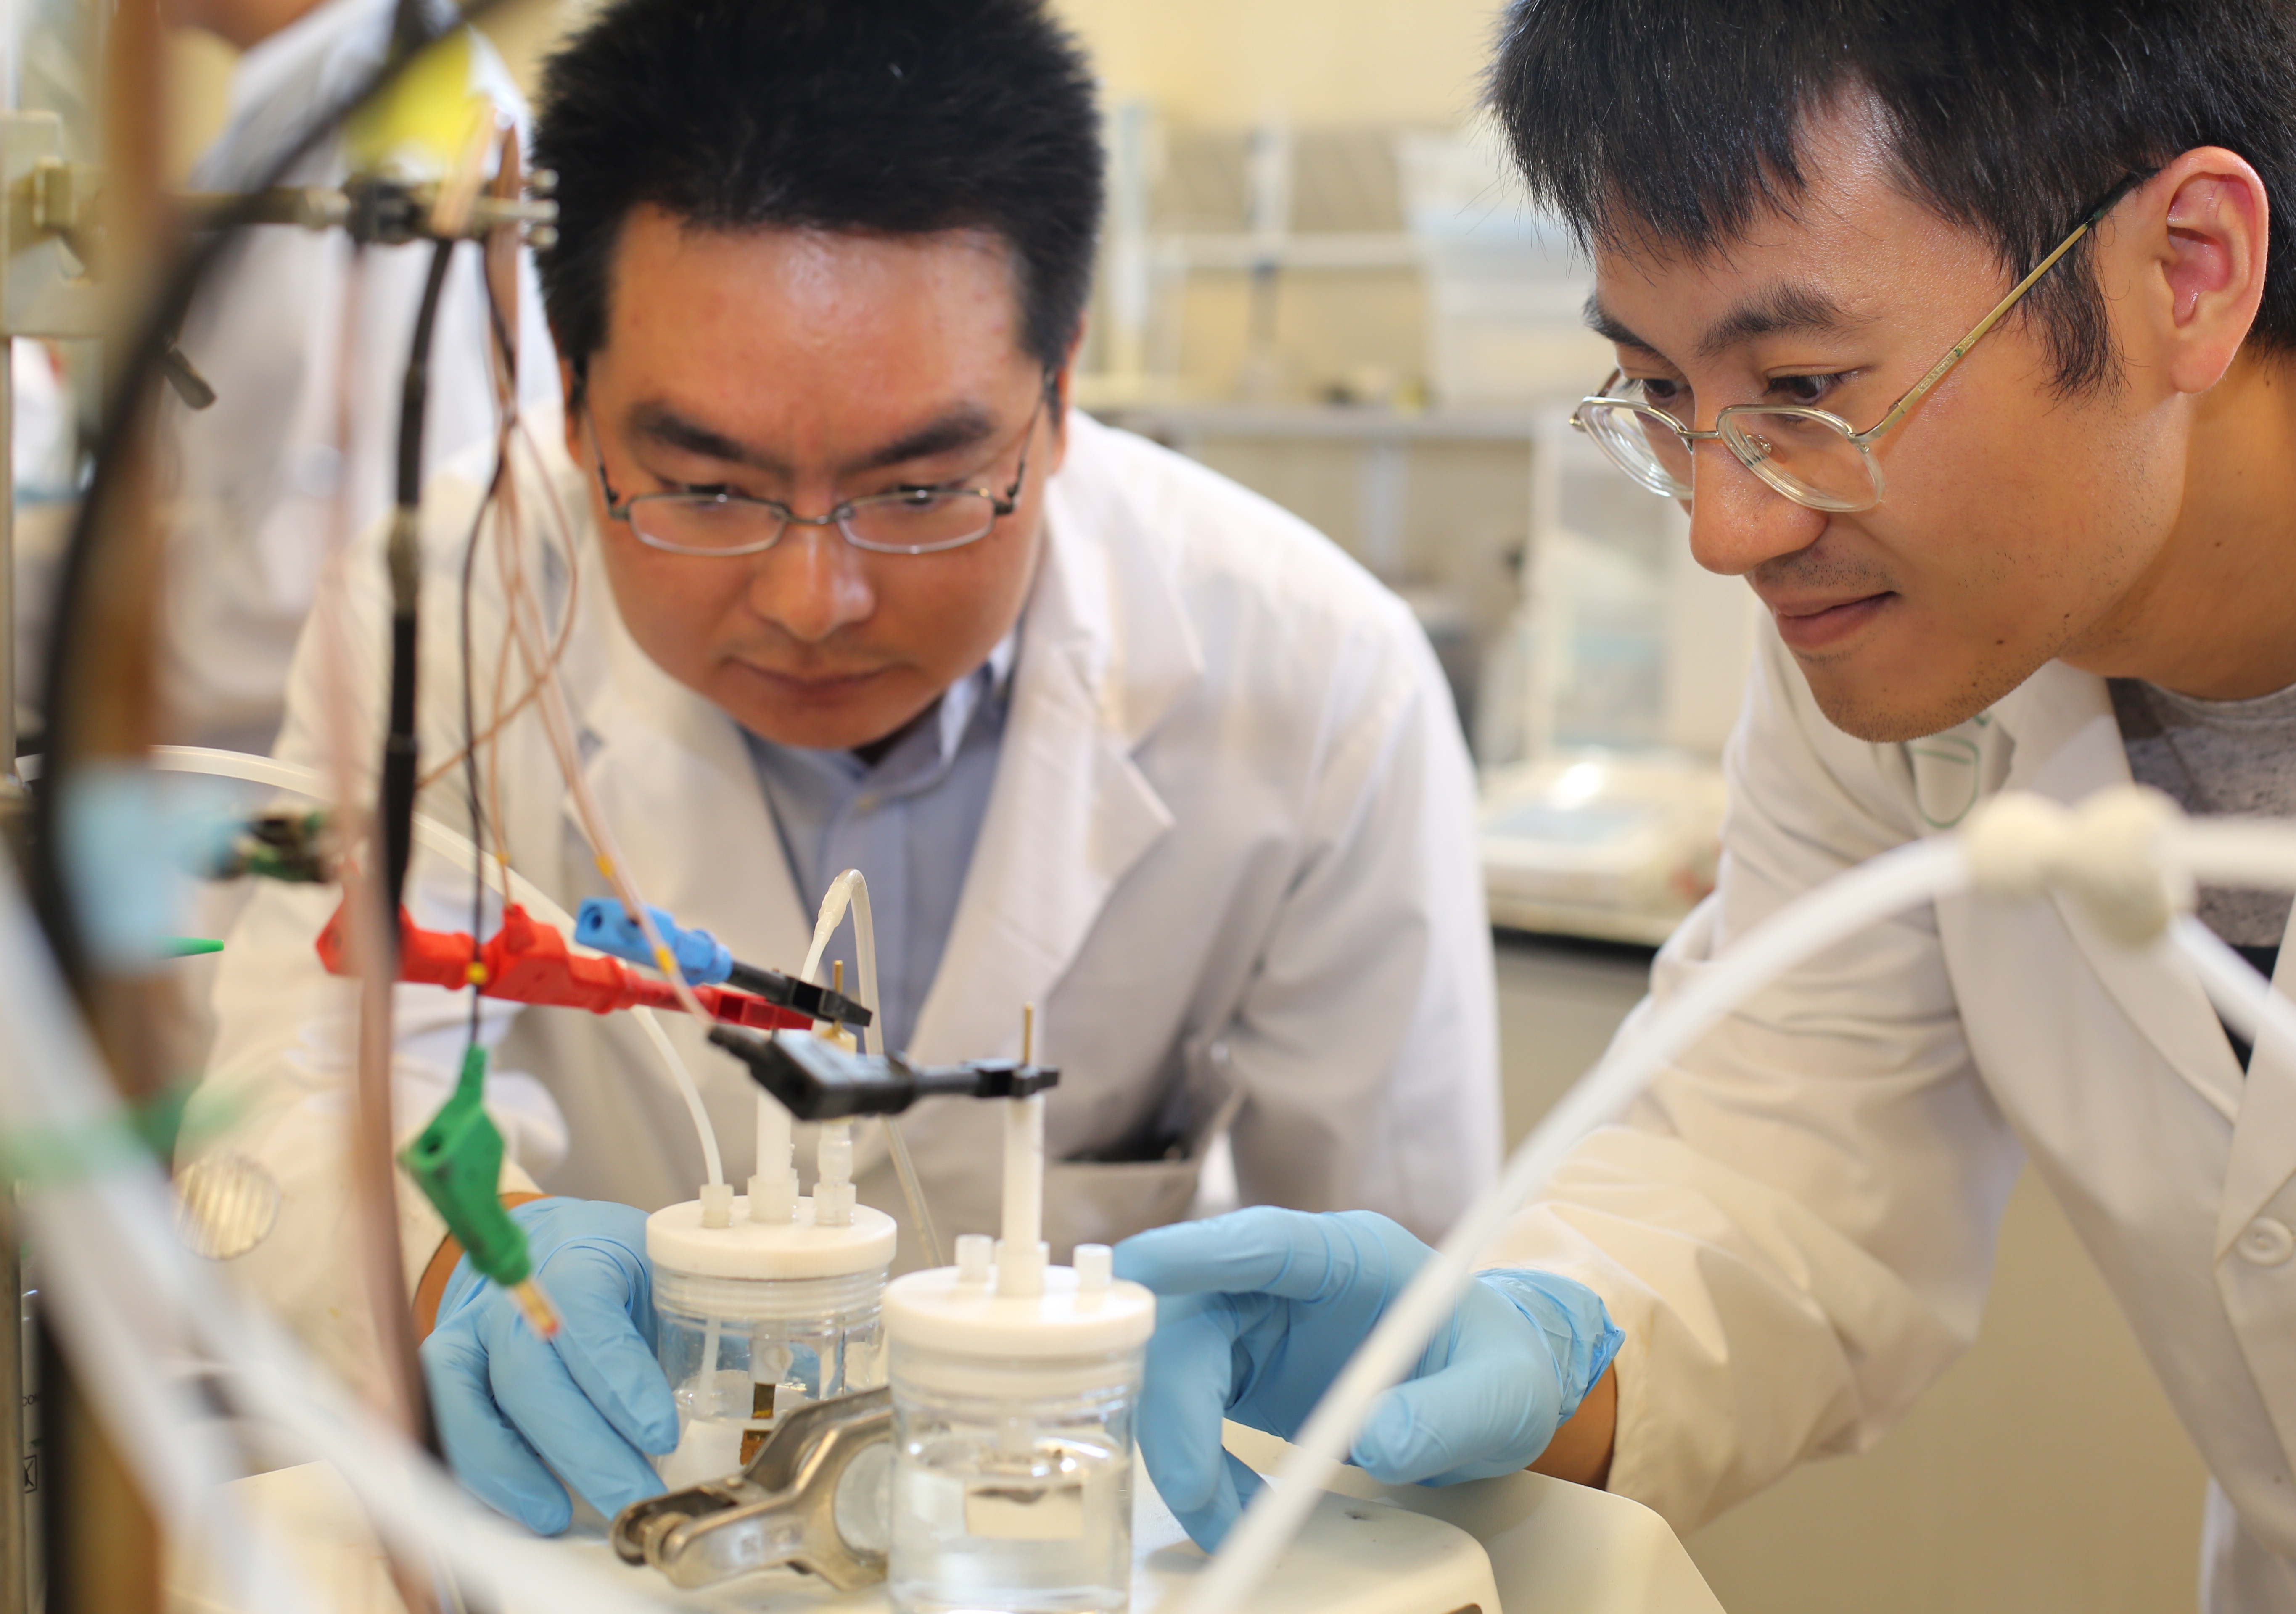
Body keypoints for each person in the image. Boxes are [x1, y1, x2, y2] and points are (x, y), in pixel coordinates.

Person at [1115, 4, 2296, 1610]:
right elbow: (1782, 1148)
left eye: (1807, 383)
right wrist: (1516, 1335)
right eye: (1659, 391)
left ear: (2190, 272)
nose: (1728, 529)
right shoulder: (1908, 632)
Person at [183, 0, 1498, 1535]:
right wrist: (457, 1273)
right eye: (704, 484)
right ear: (570, 387)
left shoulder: (1315, 674)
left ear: (1062, 392)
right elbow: (304, 1098)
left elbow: (1395, 1304)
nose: (816, 599)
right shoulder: (437, 621)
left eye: (923, 486)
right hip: (615, 1544)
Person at [159, 0, 554, 755]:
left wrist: (83, 633)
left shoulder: (411, 125)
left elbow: (396, 567)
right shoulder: (306, 106)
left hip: (301, 777)